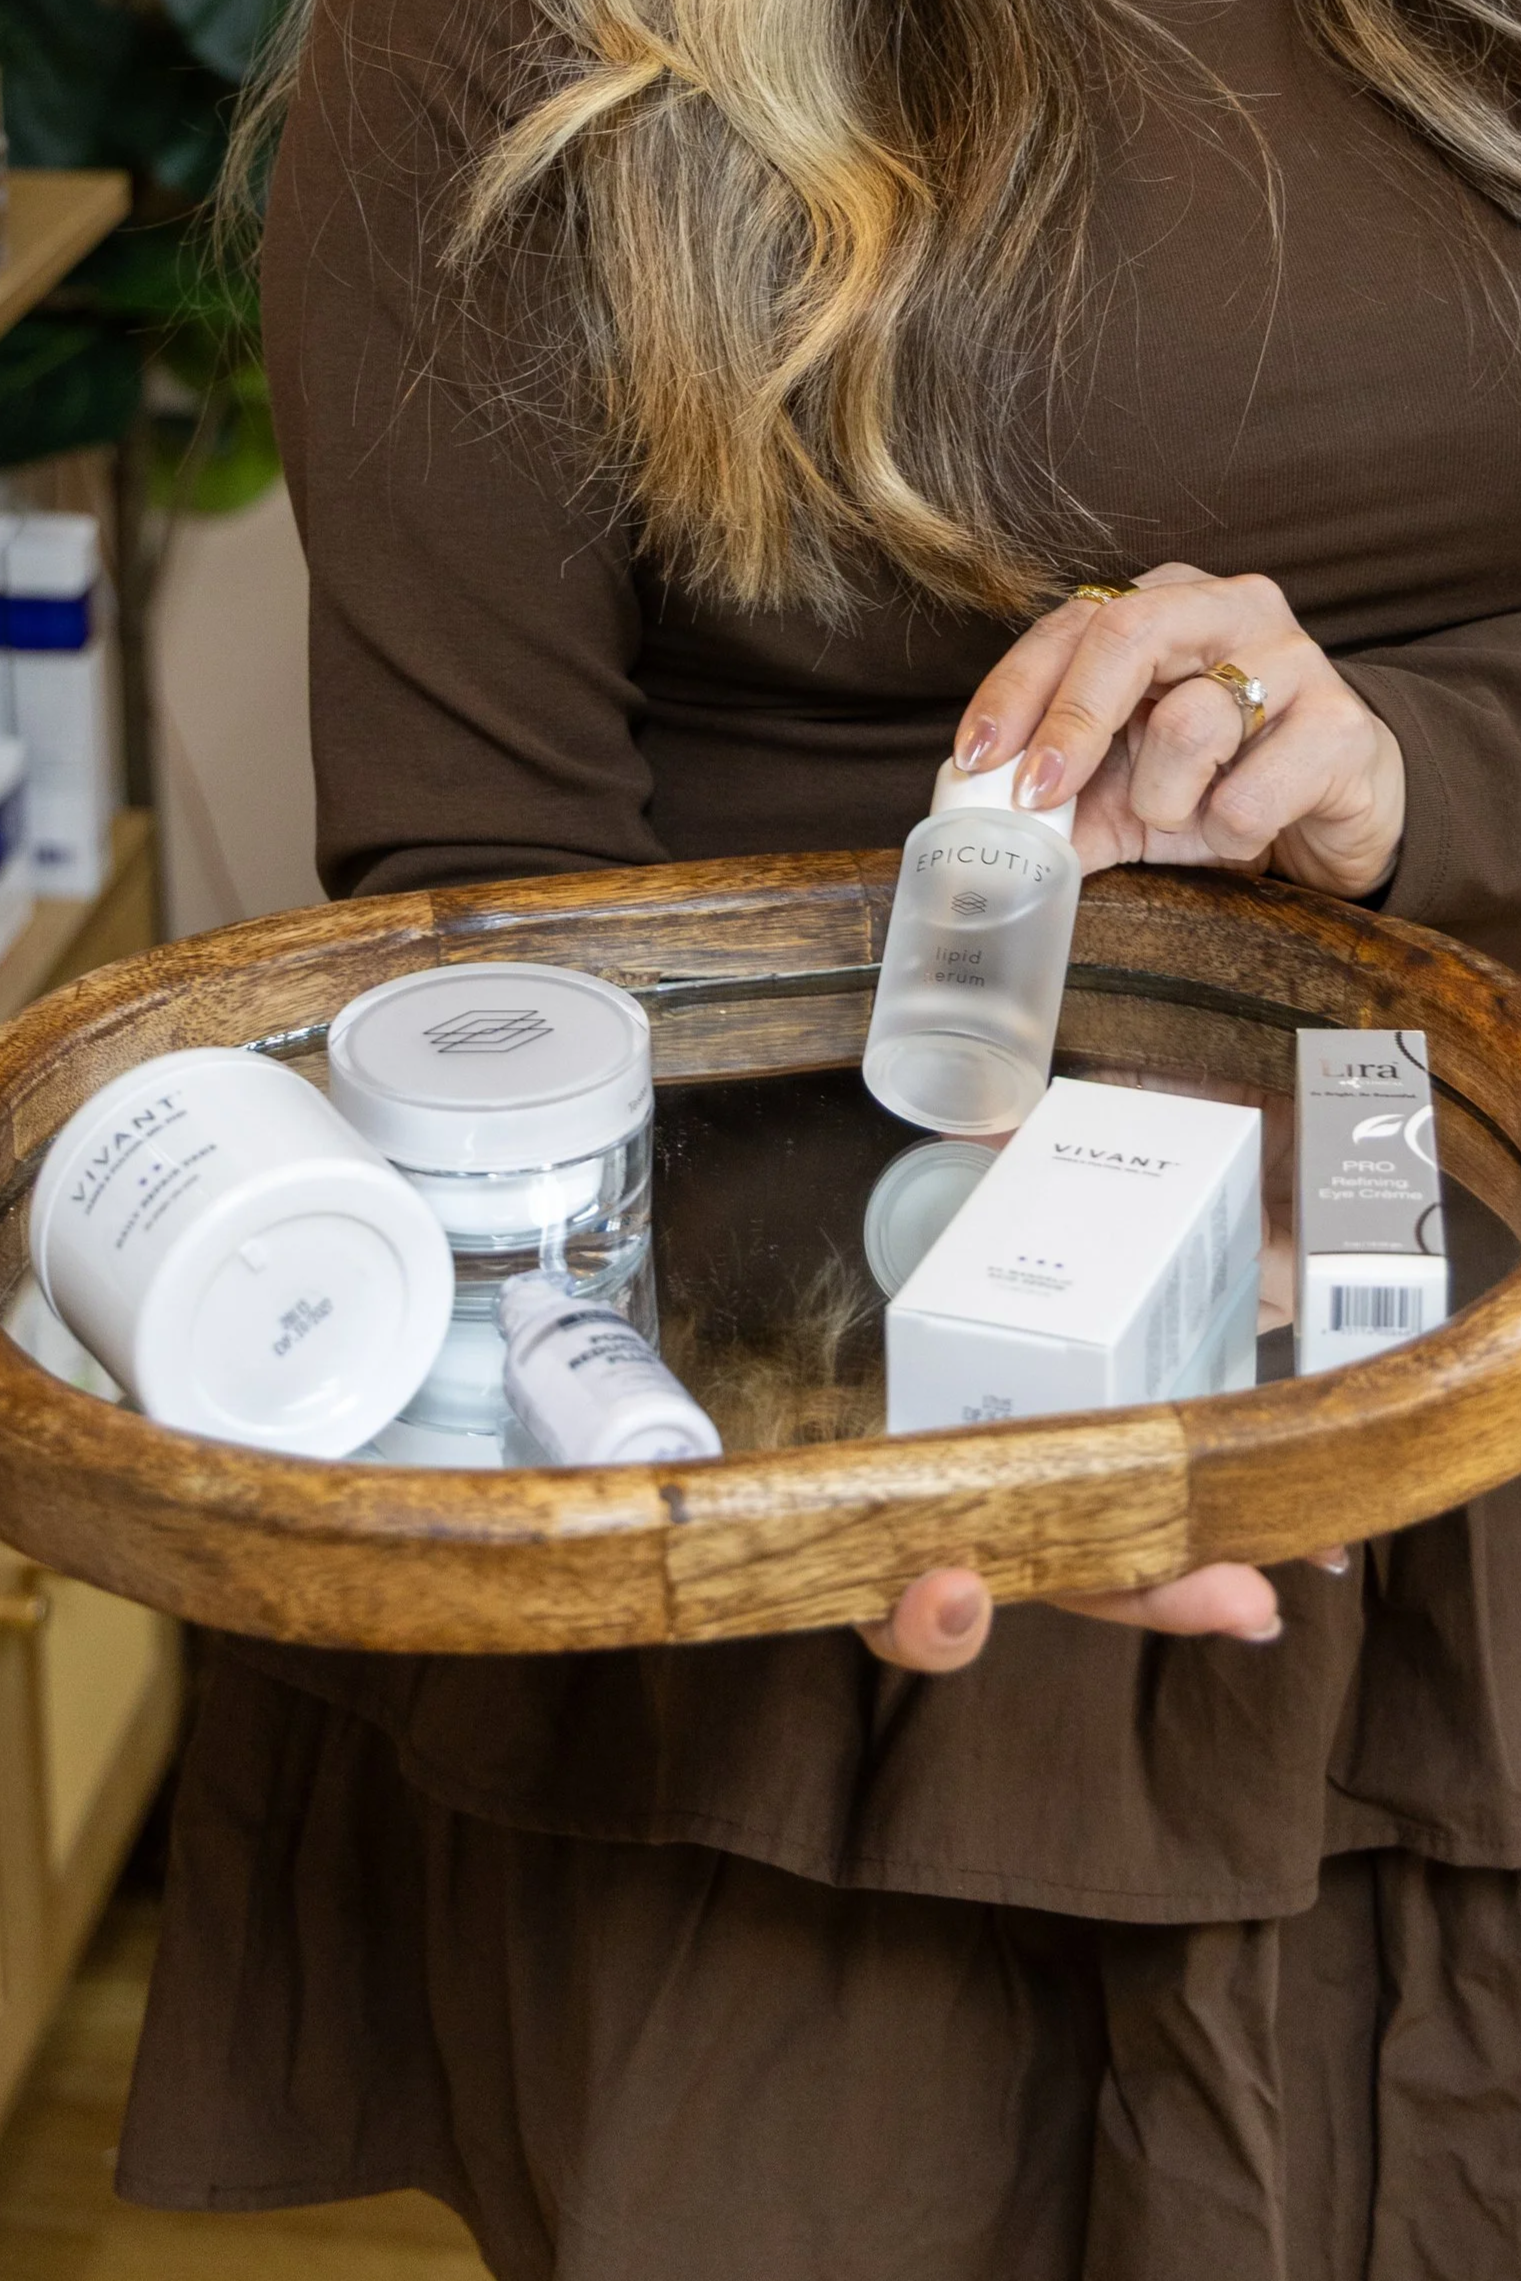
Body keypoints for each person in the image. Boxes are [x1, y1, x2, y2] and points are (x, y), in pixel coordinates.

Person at [118, 0, 1521, 2273]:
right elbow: (487, 920)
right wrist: (885, 1418)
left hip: (1478, 1460)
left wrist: (1410, 768)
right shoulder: (502, 44)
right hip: (845, 1571)